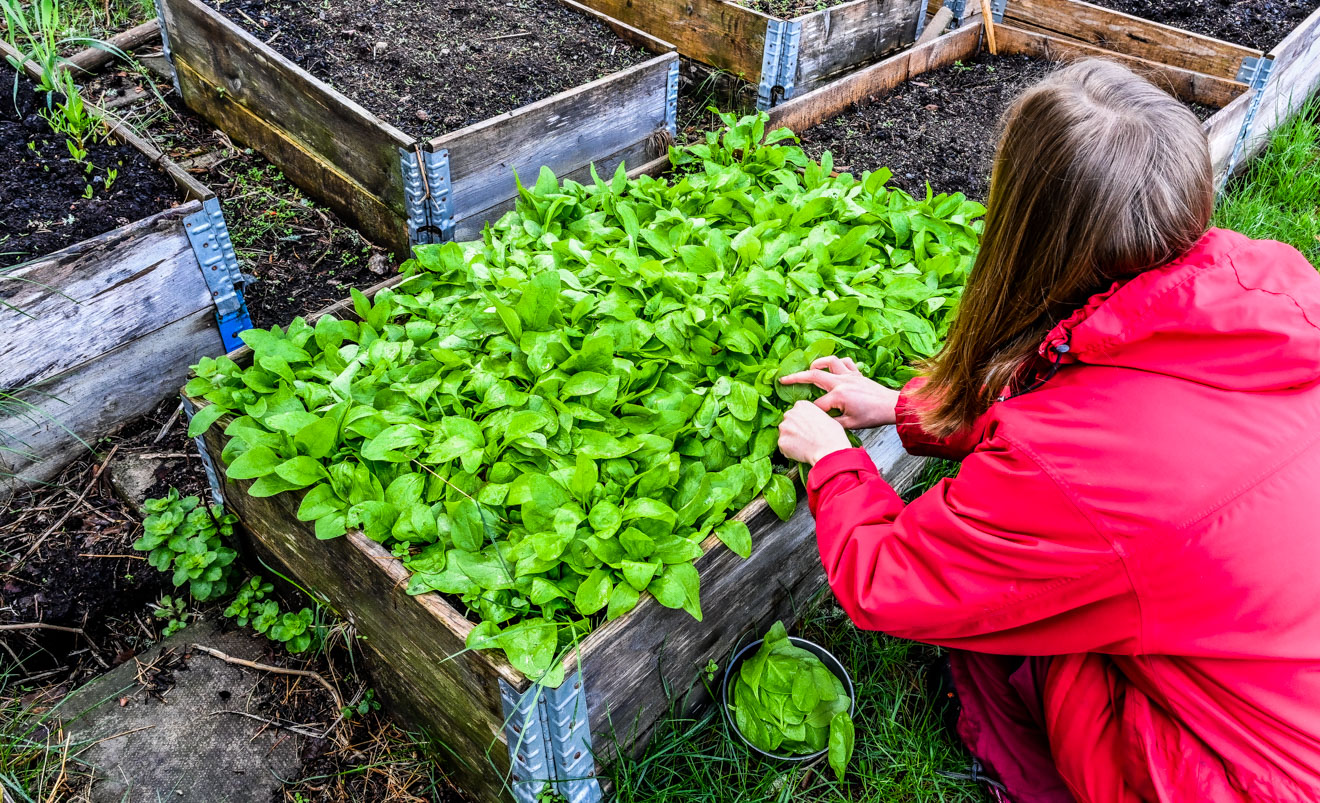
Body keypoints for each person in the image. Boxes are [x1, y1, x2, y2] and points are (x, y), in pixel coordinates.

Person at [775, 59, 1320, 802]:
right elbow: (1098, 395)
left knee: (1021, 627)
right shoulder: (1270, 290)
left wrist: (834, 461)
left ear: (1027, 231)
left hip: (1254, 782)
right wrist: (908, 408)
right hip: (1284, 676)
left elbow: (893, 579)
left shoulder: (1071, 469)